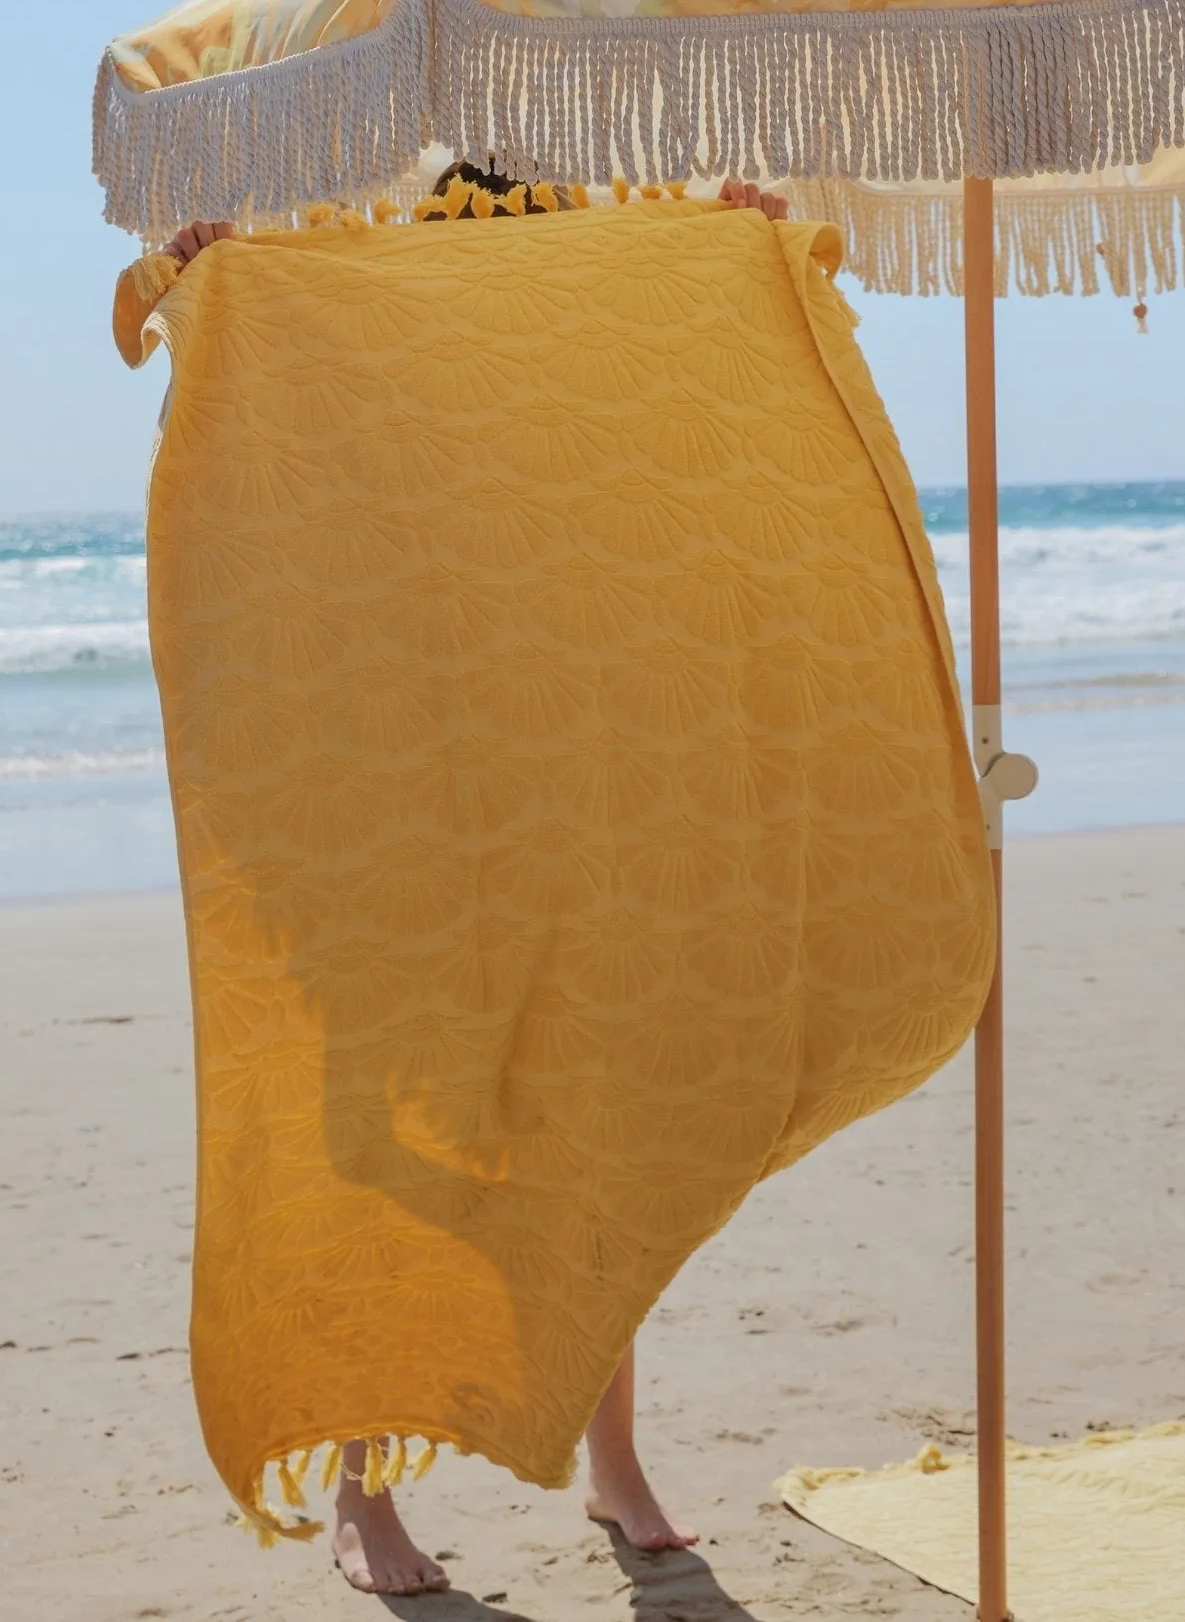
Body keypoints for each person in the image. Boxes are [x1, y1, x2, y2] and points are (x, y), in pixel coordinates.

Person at [155, 168, 791, 1598]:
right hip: (382, 826)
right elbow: (247, 483)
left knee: (597, 1143)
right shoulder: (364, 329)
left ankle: (611, 1459)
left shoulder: (586, 344)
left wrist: (734, 266)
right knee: (378, 1167)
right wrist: (221, 303)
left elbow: (688, 476)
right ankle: (362, 1492)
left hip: (564, 803)